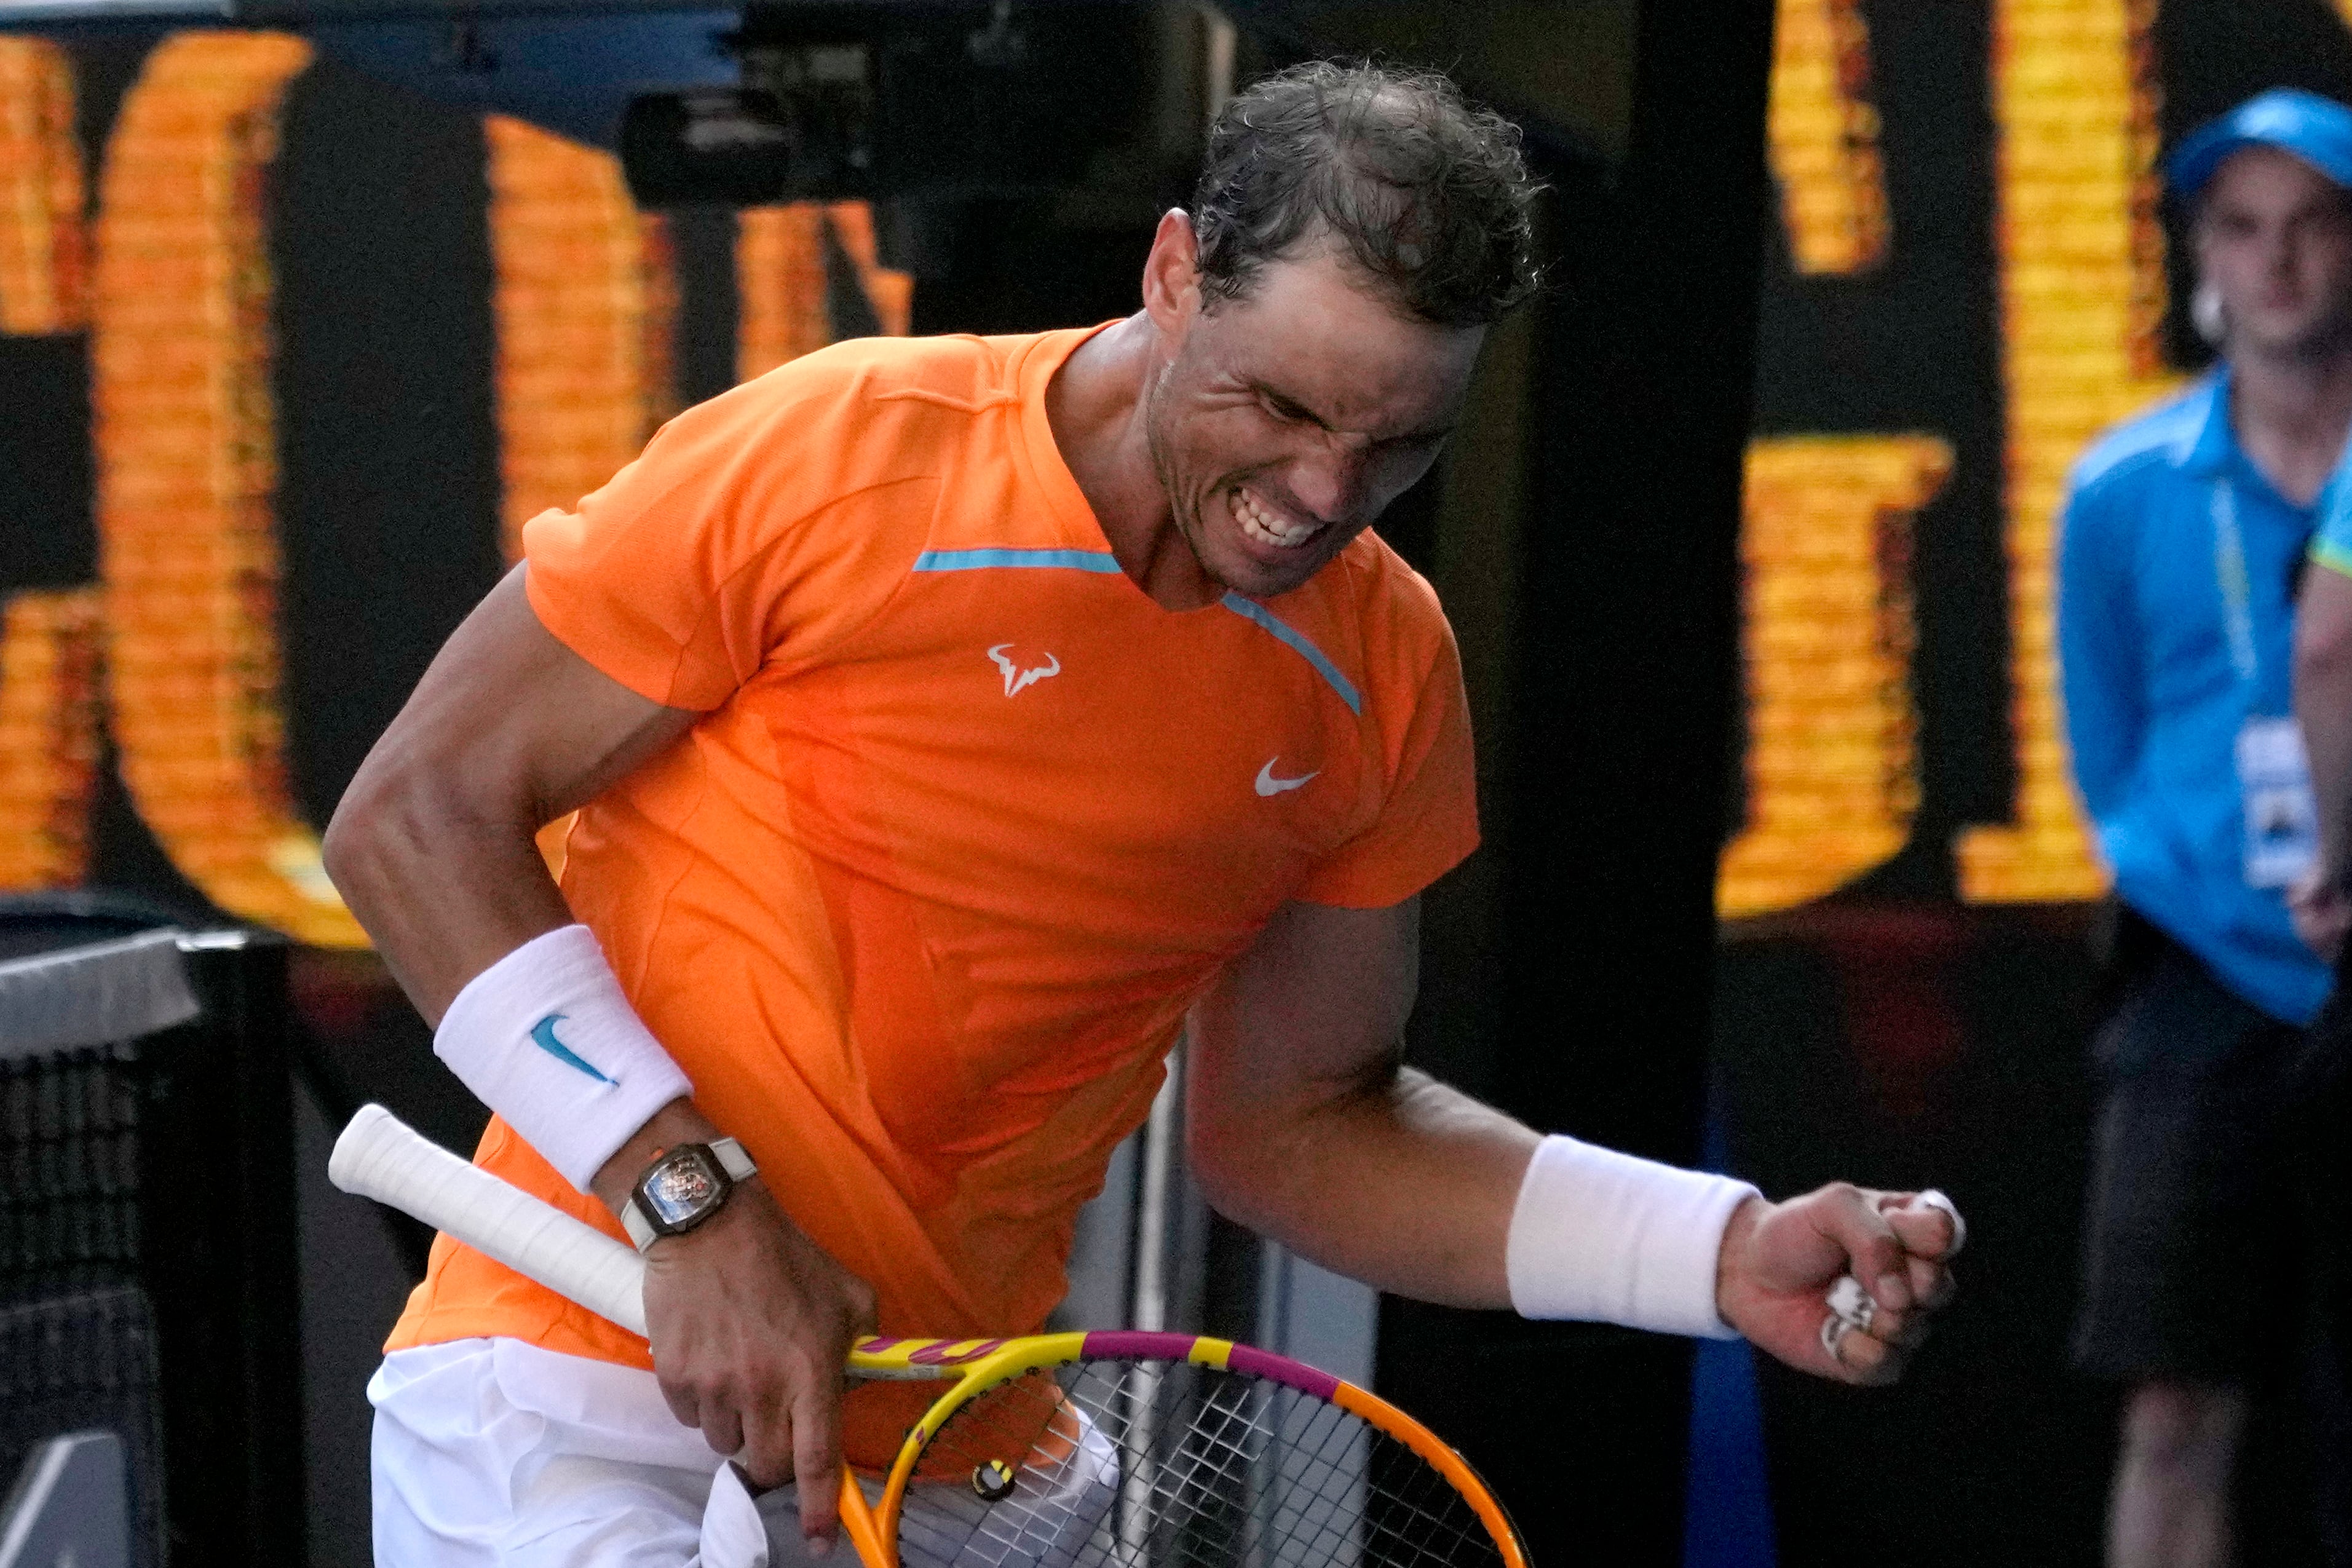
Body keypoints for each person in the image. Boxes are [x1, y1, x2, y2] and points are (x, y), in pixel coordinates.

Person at [326, 62, 1962, 1567]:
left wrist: (1715, 1246)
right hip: (582, 1389)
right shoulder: (834, 455)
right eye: (1285, 407)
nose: (1324, 491)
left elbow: (1305, 1122)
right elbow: (413, 816)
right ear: (1173, 273)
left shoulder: (1384, 666)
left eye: (1397, 440)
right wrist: (689, 1197)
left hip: (958, 1467)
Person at [2059, 88, 2352, 1568]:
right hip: (2199, 987)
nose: (2278, 263)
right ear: (2200, 255)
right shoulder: (2115, 489)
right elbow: (2101, 750)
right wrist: (2208, 885)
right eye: (2241, 228)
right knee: (2170, 1415)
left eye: (2311, 225)